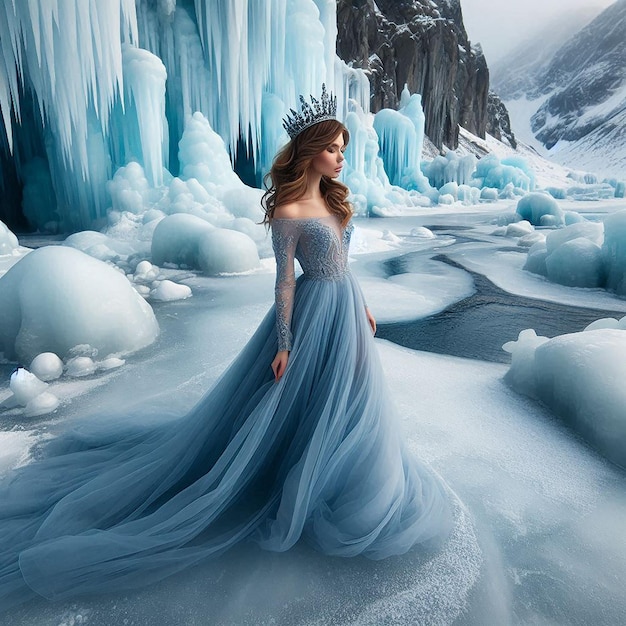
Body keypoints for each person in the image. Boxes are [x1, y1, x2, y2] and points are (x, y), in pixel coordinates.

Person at [0, 86, 452, 612]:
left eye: (343, 149)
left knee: (350, 394)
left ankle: (336, 474)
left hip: (346, 306)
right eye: (333, 148)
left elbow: (344, 265)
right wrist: (284, 343)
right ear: (309, 150)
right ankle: (291, 475)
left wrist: (364, 305)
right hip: (311, 314)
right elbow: (285, 283)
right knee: (305, 398)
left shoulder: (333, 199)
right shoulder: (288, 210)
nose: (340, 157)